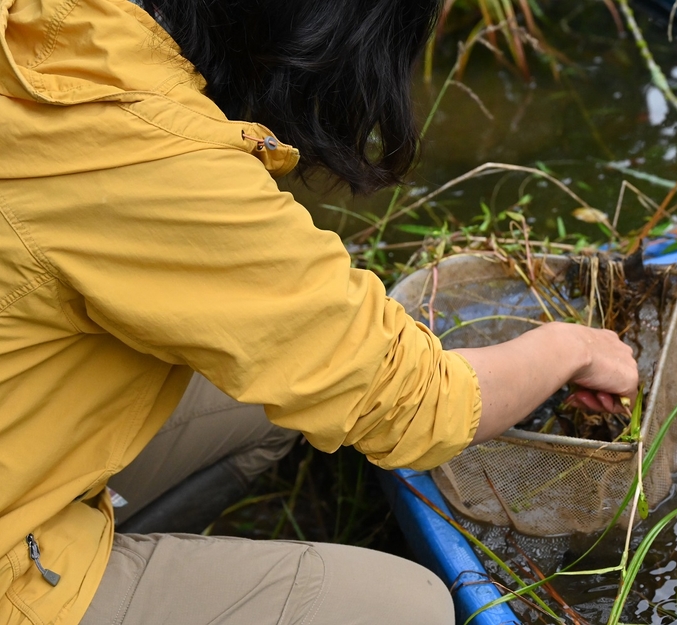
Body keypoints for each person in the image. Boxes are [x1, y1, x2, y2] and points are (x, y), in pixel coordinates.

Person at [0, 0, 640, 623]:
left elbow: (316, 346)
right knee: (404, 610)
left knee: (276, 393)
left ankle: (95, 544)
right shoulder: (148, 153)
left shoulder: (59, 33)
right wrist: (572, 348)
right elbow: (419, 405)